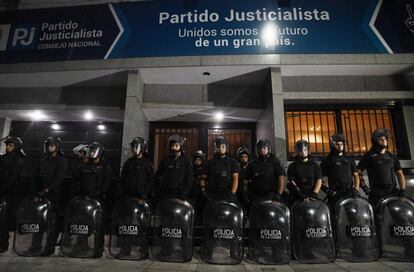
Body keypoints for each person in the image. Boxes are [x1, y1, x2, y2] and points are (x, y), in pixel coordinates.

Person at [71, 142, 112, 255]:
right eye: (92, 150)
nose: (92, 152)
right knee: (83, 223)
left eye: (95, 150)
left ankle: (98, 248)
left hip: (98, 199)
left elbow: (106, 183)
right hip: (84, 198)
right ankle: (81, 245)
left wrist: (98, 193)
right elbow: (78, 179)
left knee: (98, 224)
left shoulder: (105, 166)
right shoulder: (85, 165)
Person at [29, 137, 67, 254]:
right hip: (40, 195)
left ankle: (49, 248)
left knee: (51, 223)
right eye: (49, 145)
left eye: (52, 145)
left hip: (53, 195)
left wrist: (47, 189)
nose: (50, 147)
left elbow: (59, 178)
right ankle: (35, 246)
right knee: (38, 221)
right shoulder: (43, 159)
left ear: (57, 146)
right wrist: (36, 191)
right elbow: (36, 176)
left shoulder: (61, 160)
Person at [117, 137, 153, 257]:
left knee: (142, 223)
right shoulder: (128, 162)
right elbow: (122, 178)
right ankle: (125, 248)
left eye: (137, 146)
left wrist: (144, 195)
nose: (134, 149)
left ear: (142, 148)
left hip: (141, 198)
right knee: (126, 224)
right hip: (127, 196)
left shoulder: (147, 163)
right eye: (133, 146)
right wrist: (122, 192)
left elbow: (150, 181)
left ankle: (142, 248)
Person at [357, 128, 407, 207]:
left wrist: (402, 189)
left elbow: (400, 173)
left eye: (385, 138)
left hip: (392, 191)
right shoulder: (369, 156)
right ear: (375, 142)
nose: (384, 140)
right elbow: (358, 171)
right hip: (376, 194)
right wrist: (364, 186)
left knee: (399, 216)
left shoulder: (392, 156)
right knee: (377, 217)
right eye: (381, 139)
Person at [320, 134, 360, 209]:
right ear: (332, 145)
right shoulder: (327, 160)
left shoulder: (349, 159)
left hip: (350, 192)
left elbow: (356, 175)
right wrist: (327, 190)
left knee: (353, 216)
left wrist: (356, 189)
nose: (340, 146)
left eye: (341, 144)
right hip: (335, 194)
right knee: (335, 216)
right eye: (337, 144)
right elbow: (319, 178)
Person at [0, 136, 25, 252]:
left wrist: (3, 190)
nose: (8, 147)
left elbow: (12, 179)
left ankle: (3, 243)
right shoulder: (3, 158)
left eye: (11, 145)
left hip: (8, 194)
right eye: (7, 145)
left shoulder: (18, 160)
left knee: (4, 220)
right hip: (4, 191)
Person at [154, 134, 192, 203]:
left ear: (180, 146)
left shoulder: (186, 161)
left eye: (176, 145)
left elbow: (189, 179)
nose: (173, 148)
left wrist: (184, 193)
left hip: (180, 193)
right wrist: (158, 190)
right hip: (166, 193)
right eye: (172, 146)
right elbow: (157, 175)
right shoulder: (165, 160)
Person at [200, 137, 240, 202]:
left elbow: (235, 178)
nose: (221, 149)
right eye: (218, 147)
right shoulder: (209, 162)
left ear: (226, 147)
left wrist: (233, 193)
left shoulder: (232, 162)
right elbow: (203, 178)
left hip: (228, 194)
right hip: (213, 194)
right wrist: (204, 192)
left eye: (223, 146)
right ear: (215, 148)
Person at [247, 139, 285, 205]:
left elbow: (281, 178)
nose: (262, 150)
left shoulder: (275, 162)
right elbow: (246, 178)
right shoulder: (252, 163)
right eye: (260, 148)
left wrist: (278, 195)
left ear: (268, 149)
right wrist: (246, 193)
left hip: (271, 195)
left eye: (264, 148)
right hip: (256, 196)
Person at [287, 140, 322, 205]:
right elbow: (291, 181)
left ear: (308, 150)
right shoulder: (292, 166)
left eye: (305, 150)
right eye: (301, 150)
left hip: (312, 196)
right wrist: (301, 195)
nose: (303, 152)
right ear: (297, 151)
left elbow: (319, 179)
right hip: (297, 196)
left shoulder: (315, 165)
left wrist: (315, 193)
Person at [189, 150, 205, 221]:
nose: (198, 161)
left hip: (202, 195)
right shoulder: (190, 170)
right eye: (196, 159)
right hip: (192, 194)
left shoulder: (205, 170)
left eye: (199, 160)